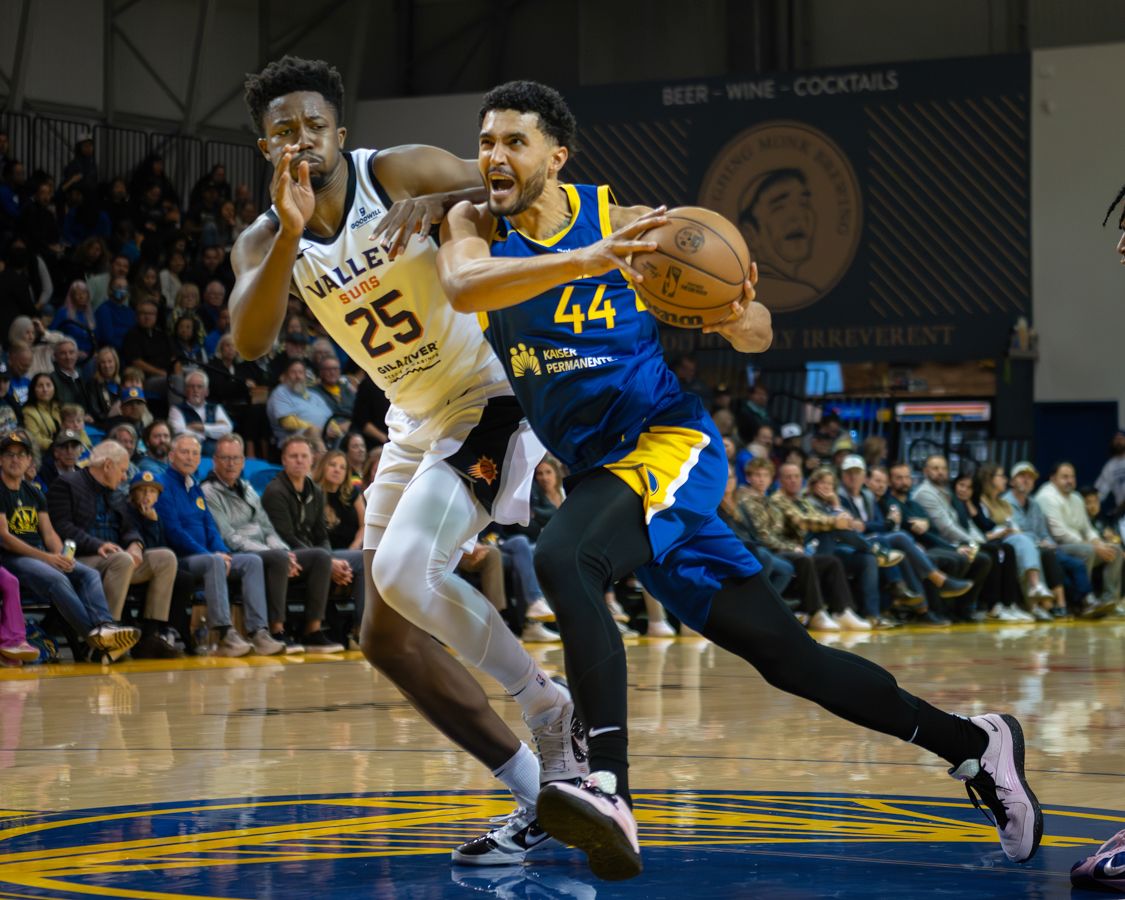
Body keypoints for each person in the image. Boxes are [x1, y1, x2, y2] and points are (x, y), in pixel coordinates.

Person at [434, 79, 1041, 879]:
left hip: (663, 443)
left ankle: (603, 785)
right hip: (601, 474)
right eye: (485, 142)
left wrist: (729, 310)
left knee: (562, 560)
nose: (494, 156)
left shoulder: (632, 226)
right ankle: (976, 746)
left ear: (557, 155)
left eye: (514, 141)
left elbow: (753, 329)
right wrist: (581, 263)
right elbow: (462, 285)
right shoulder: (475, 222)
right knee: (789, 658)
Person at [231, 56, 586, 865]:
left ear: (338, 133)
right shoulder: (263, 236)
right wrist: (288, 232)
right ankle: (546, 798)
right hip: (411, 421)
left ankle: (546, 705)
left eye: (315, 125)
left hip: (486, 395)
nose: (302, 140)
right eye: (285, 130)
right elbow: (250, 342)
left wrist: (447, 198)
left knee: (400, 568)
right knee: (386, 641)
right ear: (265, 147)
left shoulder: (393, 170)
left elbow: (524, 190)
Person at [0, 431, 140, 658]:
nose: (15, 459)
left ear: (29, 461)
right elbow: (5, 537)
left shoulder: (34, 493)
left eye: (21, 455)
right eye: (9, 454)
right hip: (11, 558)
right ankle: (95, 637)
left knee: (88, 574)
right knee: (58, 579)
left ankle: (105, 626)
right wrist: (46, 558)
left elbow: (49, 534)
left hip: (39, 556)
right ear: (1, 459)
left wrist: (61, 555)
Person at [203, 433, 338, 653]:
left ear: (243, 462)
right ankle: (277, 630)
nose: (231, 464)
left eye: (236, 458)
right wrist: (277, 553)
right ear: (215, 460)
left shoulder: (246, 488)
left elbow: (268, 529)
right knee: (277, 557)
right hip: (237, 553)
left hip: (267, 551)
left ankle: (313, 631)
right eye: (225, 458)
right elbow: (229, 537)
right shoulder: (209, 492)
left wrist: (286, 552)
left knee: (320, 557)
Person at [46, 440, 181, 658]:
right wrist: (97, 545)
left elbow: (129, 528)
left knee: (165, 558)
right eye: (123, 470)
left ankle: (149, 635)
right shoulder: (67, 484)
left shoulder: (116, 491)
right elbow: (61, 526)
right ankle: (106, 639)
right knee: (122, 560)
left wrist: (136, 545)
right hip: (81, 558)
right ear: (108, 466)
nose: (125, 477)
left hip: (115, 559)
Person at [156, 432, 285, 657]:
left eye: (195, 453)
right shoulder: (163, 484)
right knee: (214, 561)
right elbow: (173, 531)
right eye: (184, 452)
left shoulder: (194, 486)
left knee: (252, 562)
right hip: (181, 558)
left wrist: (222, 551)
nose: (190, 457)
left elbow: (210, 526)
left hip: (207, 555)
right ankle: (225, 633)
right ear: (171, 455)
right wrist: (211, 554)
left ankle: (258, 632)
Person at [1035, 461, 1123, 610]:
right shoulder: (1046, 496)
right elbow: (1059, 534)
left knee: (1115, 550)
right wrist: (1092, 546)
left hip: (1079, 544)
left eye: (1072, 476)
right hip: (1055, 546)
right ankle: (1084, 602)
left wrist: (1098, 543)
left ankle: (1110, 600)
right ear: (1053, 479)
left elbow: (1087, 528)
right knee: (1087, 551)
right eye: (1064, 477)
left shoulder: (1076, 497)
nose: (1070, 480)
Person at [168, 369, 233, 456]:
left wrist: (202, 428)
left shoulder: (216, 408)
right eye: (191, 386)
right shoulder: (176, 409)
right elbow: (179, 432)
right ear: (185, 391)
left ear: (207, 392)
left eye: (199, 387)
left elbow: (227, 430)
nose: (195, 390)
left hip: (217, 457)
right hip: (190, 454)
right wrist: (213, 432)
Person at [21, 373, 61, 452]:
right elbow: (35, 439)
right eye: (40, 386)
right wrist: (60, 446)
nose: (45, 389)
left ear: (54, 387)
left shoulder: (59, 406)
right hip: (46, 453)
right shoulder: (28, 412)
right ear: (33, 389)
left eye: (48, 385)